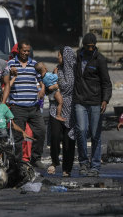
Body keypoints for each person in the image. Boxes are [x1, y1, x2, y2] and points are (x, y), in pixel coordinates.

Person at [74, 33, 112, 177]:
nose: (90, 49)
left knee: (95, 134)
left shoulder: (100, 60)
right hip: (80, 101)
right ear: (83, 46)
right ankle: (83, 163)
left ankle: (95, 165)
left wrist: (105, 100)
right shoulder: (78, 57)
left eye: (92, 47)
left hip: (96, 102)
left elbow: (106, 83)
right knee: (81, 131)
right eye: (88, 47)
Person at [5, 40, 46, 168]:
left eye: (28, 51)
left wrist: (42, 89)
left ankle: (35, 158)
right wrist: (11, 73)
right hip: (17, 106)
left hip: (33, 107)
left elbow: (40, 80)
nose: (26, 53)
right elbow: (5, 81)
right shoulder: (11, 64)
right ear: (19, 51)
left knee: (41, 131)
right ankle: (17, 162)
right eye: (24, 51)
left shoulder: (34, 64)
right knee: (18, 136)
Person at [47, 46, 77, 177]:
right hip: (56, 107)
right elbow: (49, 86)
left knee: (68, 140)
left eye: (59, 55)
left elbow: (71, 86)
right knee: (54, 136)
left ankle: (67, 168)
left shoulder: (77, 71)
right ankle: (54, 161)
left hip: (71, 108)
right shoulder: (56, 69)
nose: (57, 58)